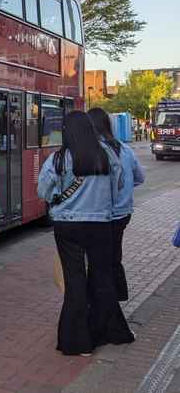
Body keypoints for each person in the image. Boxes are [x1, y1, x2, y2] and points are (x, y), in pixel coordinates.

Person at [37, 110, 135, 356]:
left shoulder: (57, 160)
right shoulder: (108, 156)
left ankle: (78, 342)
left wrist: (62, 201)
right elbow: (119, 186)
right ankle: (109, 332)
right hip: (100, 224)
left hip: (67, 226)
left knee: (75, 280)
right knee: (102, 277)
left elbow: (44, 192)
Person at [88, 108, 145, 301]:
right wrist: (125, 190)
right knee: (114, 255)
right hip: (124, 213)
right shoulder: (125, 149)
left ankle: (103, 298)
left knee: (99, 258)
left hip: (102, 215)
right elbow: (140, 178)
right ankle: (119, 294)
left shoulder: (94, 151)